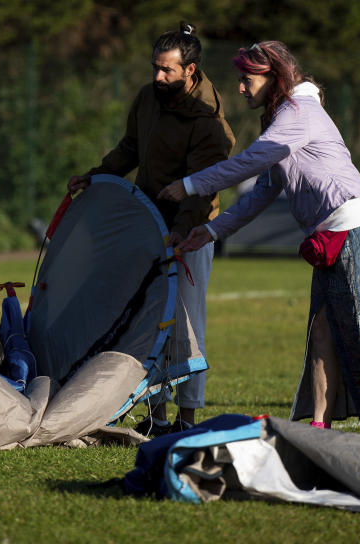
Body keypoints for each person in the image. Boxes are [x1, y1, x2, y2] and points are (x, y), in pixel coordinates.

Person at [159, 40, 360, 432]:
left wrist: (190, 185)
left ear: (274, 77)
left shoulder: (299, 112)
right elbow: (264, 189)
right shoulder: (284, 117)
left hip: (354, 229)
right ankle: (319, 427)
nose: (240, 88)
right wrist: (213, 230)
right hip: (328, 236)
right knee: (321, 332)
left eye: (247, 79)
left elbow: (251, 161)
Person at [68, 22, 235, 435]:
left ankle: (188, 416)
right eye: (155, 68)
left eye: (167, 71)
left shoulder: (209, 120)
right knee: (148, 319)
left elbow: (202, 189)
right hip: (147, 226)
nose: (158, 77)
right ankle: (156, 415)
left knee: (187, 326)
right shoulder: (148, 97)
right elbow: (131, 148)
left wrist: (180, 234)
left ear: (190, 70)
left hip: (192, 232)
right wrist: (98, 175)